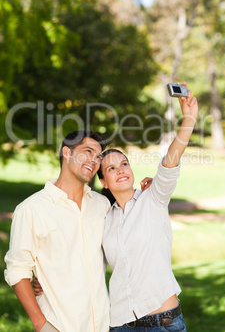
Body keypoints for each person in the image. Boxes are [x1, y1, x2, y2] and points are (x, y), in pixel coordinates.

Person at [97, 82, 198, 330]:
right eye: (111, 168)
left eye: (124, 164)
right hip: (121, 325)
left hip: (164, 324)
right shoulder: (101, 217)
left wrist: (189, 121)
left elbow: (169, 163)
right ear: (103, 182)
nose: (120, 170)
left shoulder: (152, 199)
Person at [4, 131, 111, 332]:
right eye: (87, 151)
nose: (94, 161)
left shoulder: (102, 205)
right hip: (60, 326)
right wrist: (40, 324)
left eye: (98, 156)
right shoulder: (31, 209)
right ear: (67, 153)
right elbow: (17, 270)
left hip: (104, 325)